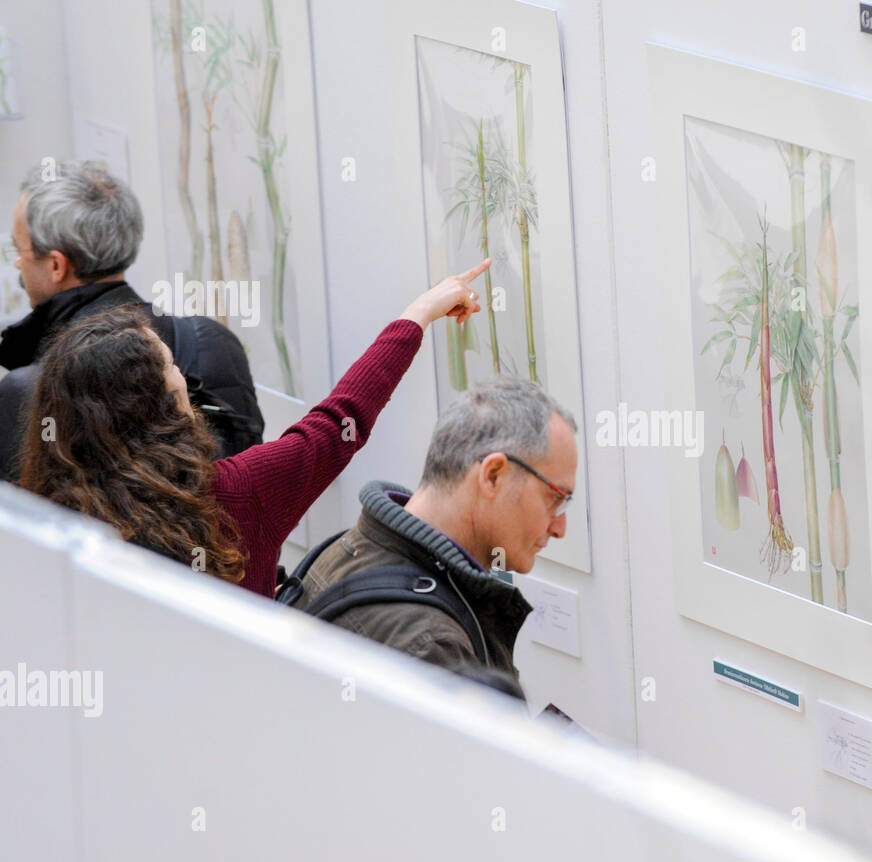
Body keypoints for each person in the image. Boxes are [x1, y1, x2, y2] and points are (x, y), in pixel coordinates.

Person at [18, 259, 491, 597]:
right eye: (170, 365)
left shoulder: (45, 532)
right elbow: (340, 420)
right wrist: (420, 313)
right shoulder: (236, 498)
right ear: (161, 404)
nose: (185, 374)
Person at [280, 377, 578, 688]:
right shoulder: (431, 649)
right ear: (492, 476)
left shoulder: (344, 549)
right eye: (555, 498)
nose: (560, 528)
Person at [1, 160, 263, 478]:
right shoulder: (213, 343)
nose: (16, 264)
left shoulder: (31, 389)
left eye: (19, 249)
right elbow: (250, 482)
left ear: (57, 265)